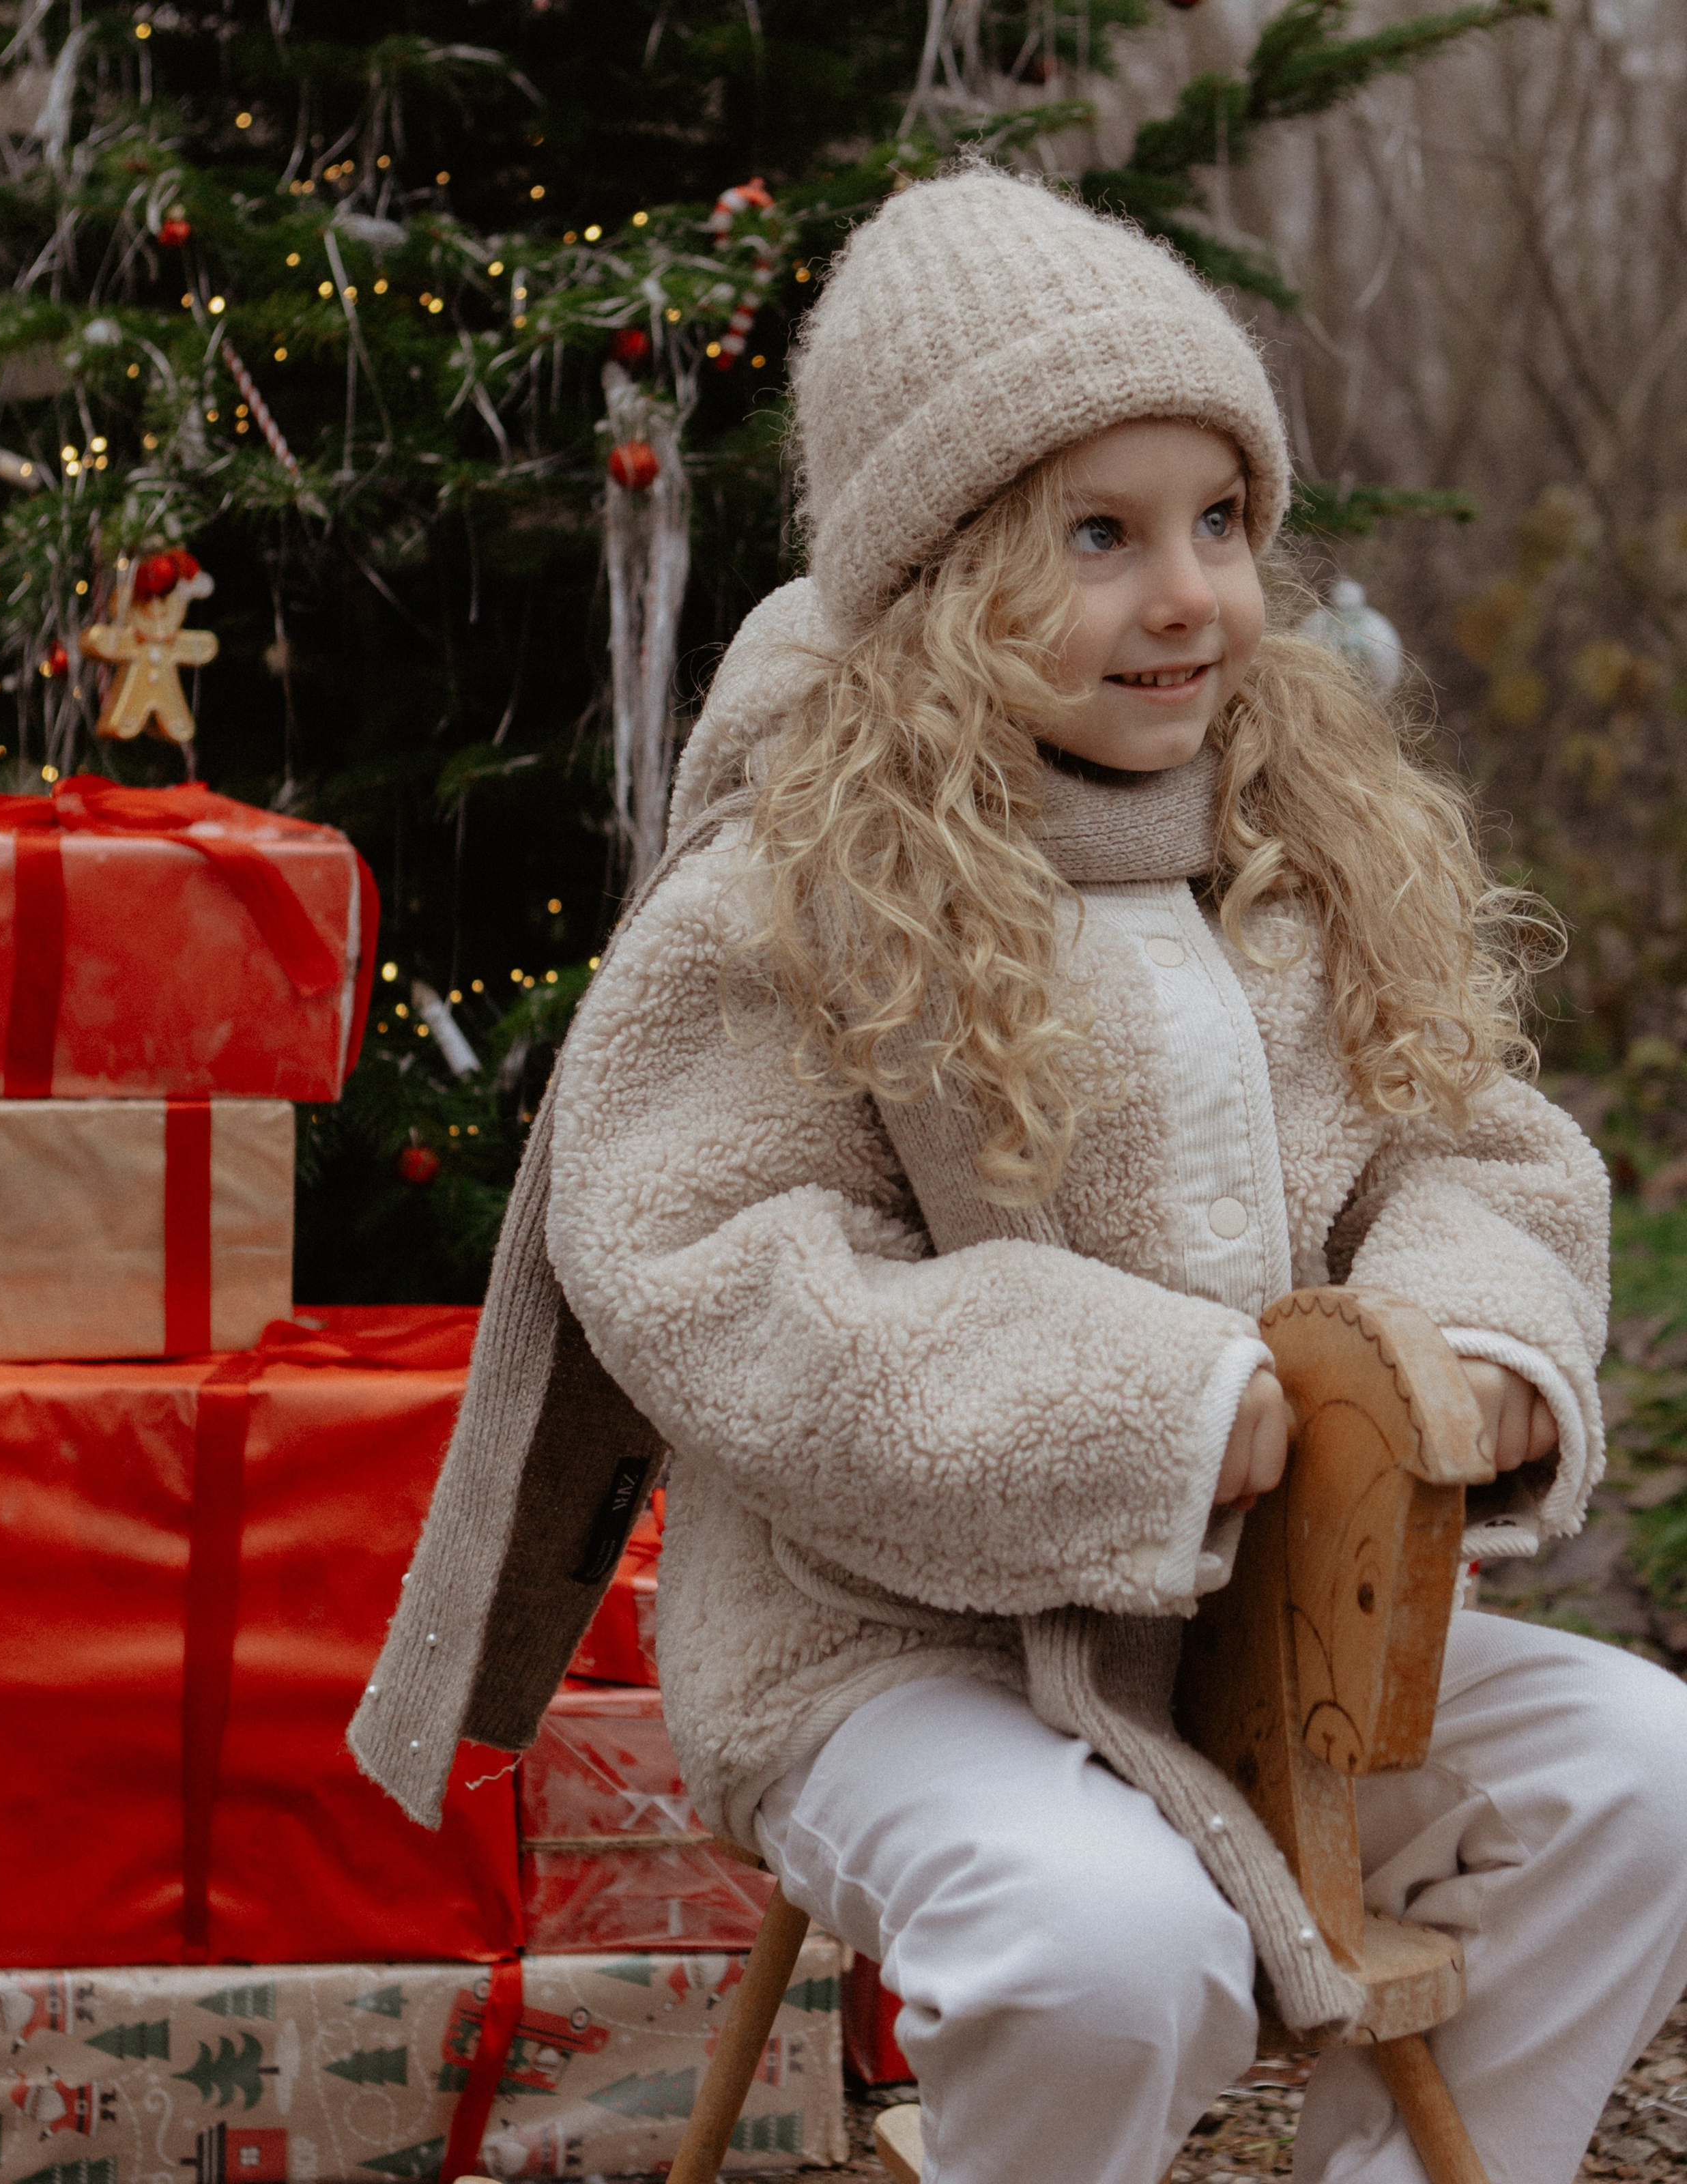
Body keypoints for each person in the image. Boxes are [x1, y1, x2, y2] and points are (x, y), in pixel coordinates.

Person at [355, 168, 1687, 2184]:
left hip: (1270, 1624)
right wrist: (1160, 1407)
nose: (1192, 597)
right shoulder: (795, 891)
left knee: (1643, 1774)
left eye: (1222, 522)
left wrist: (1477, 1343)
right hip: (885, 1643)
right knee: (1103, 1949)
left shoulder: (1299, 842)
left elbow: (1472, 1137)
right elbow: (723, 1270)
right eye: (1101, 536)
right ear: (939, 576)